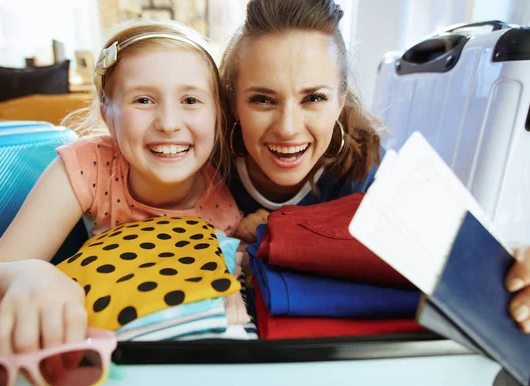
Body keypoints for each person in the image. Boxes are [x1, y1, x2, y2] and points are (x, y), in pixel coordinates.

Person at [219, 0, 530, 333]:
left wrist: (511, 272)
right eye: (263, 99)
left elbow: (451, 254)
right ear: (234, 100)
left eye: (314, 98)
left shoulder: (365, 172)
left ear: (340, 102)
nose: (288, 128)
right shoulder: (207, 167)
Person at [0, 19, 241, 356]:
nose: (168, 123)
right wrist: (27, 274)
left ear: (217, 115)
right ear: (107, 113)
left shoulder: (228, 185)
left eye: (191, 101)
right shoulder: (87, 166)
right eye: (143, 100)